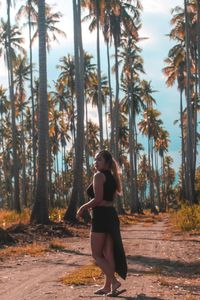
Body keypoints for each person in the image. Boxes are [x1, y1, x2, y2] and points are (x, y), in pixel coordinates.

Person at [76, 150, 127, 297]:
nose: (96, 162)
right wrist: (102, 203)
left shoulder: (98, 176)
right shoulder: (111, 177)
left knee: (97, 254)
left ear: (106, 163)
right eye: (95, 160)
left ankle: (114, 281)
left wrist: (82, 208)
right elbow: (109, 200)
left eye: (99, 160)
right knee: (108, 253)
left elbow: (98, 199)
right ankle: (107, 287)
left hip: (101, 217)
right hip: (110, 215)